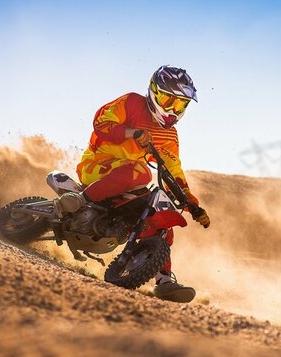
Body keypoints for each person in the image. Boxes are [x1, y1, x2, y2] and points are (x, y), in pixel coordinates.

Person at [54, 65, 210, 303]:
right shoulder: (132, 103)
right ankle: (79, 200)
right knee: (141, 172)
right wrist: (132, 133)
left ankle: (164, 281)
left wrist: (192, 205)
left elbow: (173, 171)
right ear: (155, 93)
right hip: (98, 168)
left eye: (180, 105)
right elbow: (101, 123)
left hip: (130, 181)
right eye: (169, 100)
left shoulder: (169, 136)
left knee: (161, 208)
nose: (172, 109)